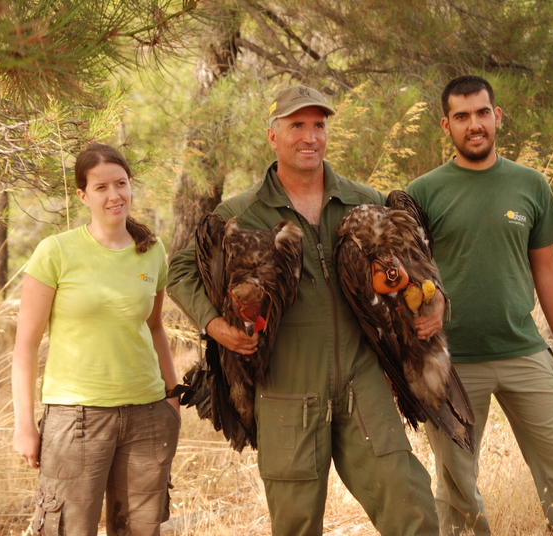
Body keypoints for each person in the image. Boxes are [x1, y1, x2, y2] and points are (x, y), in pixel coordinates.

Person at [167, 85, 439, 536]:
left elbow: (415, 266)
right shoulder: (242, 211)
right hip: (286, 386)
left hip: (361, 376)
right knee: (296, 522)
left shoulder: (362, 199)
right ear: (273, 137)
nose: (310, 136)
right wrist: (216, 327)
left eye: (319, 125)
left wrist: (434, 305)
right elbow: (180, 269)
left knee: (408, 498)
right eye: (297, 125)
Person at [406, 75, 553, 535]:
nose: (473, 124)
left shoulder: (529, 184)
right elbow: (406, 281)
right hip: (451, 362)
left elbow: (547, 268)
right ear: (446, 125)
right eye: (461, 116)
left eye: (481, 113)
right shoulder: (422, 193)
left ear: (497, 117)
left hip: (524, 350)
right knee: (456, 486)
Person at [11, 143, 181, 536]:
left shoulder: (151, 251)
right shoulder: (55, 252)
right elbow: (25, 347)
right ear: (83, 195)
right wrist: (24, 424)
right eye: (101, 187)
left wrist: (172, 395)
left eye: (121, 184)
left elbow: (154, 327)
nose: (114, 195)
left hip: (147, 416)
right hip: (76, 420)